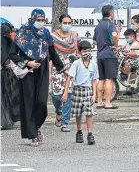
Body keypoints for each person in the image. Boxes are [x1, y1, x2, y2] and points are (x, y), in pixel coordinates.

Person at [9, 9, 64, 146]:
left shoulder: (45, 33)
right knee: (29, 103)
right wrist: (27, 63)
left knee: (41, 102)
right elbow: (12, 55)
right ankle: (32, 134)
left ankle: (37, 126)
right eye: (38, 20)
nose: (40, 23)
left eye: (42, 20)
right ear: (32, 19)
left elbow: (52, 51)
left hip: (43, 70)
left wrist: (61, 68)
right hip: (28, 72)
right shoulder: (23, 33)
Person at [63, 40, 97, 145]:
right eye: (84, 51)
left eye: (88, 50)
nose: (86, 53)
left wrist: (94, 94)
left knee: (89, 113)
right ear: (79, 52)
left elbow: (94, 80)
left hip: (88, 90)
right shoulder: (76, 64)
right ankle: (79, 131)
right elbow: (70, 77)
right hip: (77, 89)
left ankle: (90, 134)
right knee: (78, 113)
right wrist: (65, 92)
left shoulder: (93, 64)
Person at [50, 13, 80, 132]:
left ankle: (65, 122)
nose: (67, 25)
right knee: (57, 96)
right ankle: (59, 112)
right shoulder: (53, 36)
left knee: (69, 94)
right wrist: (49, 72)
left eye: (69, 23)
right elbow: (50, 55)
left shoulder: (75, 36)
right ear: (60, 23)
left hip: (71, 67)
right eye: (65, 23)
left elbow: (78, 51)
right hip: (57, 68)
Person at [93, 5, 121, 109]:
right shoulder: (110, 24)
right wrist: (116, 46)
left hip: (100, 55)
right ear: (111, 13)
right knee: (109, 79)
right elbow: (114, 36)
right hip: (109, 54)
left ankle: (99, 102)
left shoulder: (98, 26)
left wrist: (117, 32)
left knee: (101, 79)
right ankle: (108, 103)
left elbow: (95, 41)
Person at [1, 24, 20, 129]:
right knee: (9, 97)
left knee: (5, 98)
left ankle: (6, 120)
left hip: (7, 73)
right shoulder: (9, 42)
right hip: (8, 74)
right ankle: (9, 120)